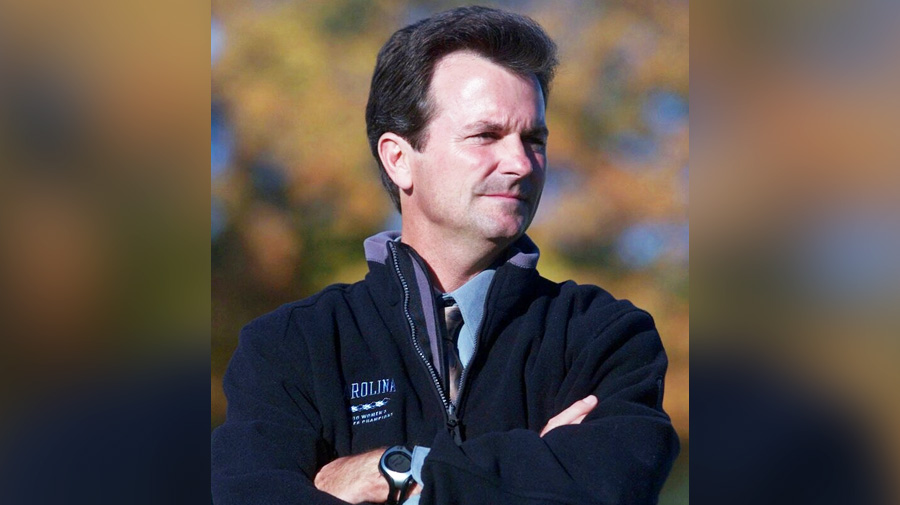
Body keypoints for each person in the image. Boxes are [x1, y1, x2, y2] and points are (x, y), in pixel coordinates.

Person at [211, 6, 679, 504]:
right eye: (486, 136)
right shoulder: (292, 348)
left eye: (534, 139)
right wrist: (531, 472)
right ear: (398, 159)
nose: (520, 163)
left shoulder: (602, 337)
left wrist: (396, 474)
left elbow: (605, 487)